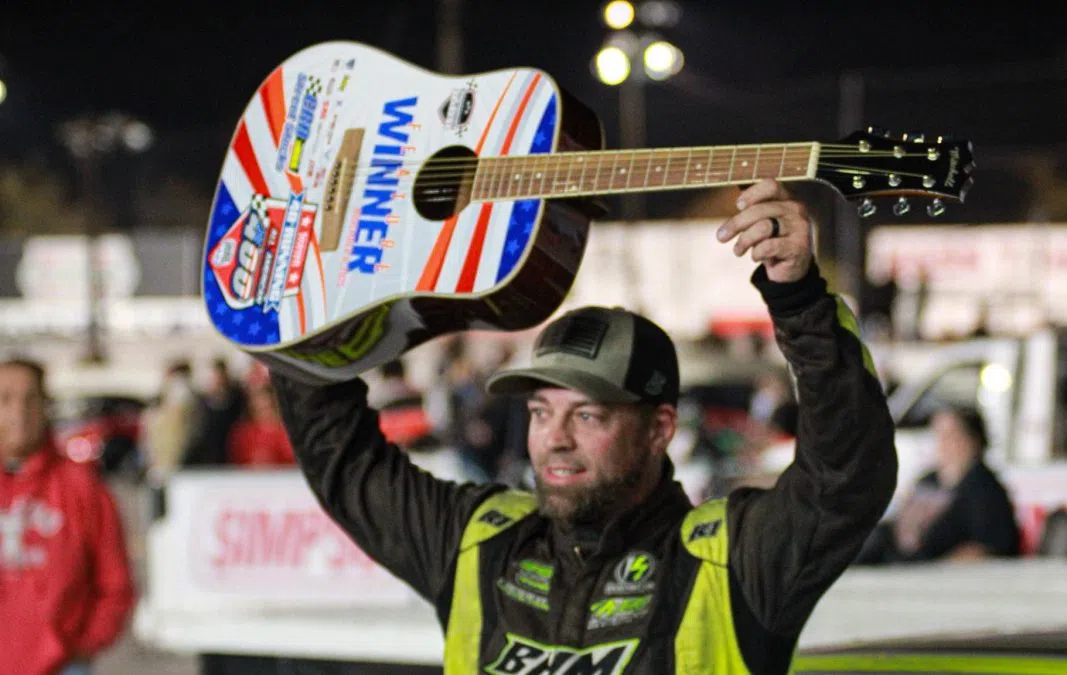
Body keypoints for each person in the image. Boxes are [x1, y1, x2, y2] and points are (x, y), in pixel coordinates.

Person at [269, 179, 897, 673]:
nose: (554, 439)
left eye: (587, 415)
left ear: (659, 428)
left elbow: (846, 477)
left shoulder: (730, 559)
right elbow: (341, 457)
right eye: (541, 412)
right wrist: (304, 297)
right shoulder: (479, 542)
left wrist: (800, 301)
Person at [0, 358, 135, 675]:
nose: (19, 411)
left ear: (46, 406)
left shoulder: (82, 487)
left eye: (31, 398)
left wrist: (83, 647)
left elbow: (115, 585)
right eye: (5, 398)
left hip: (60, 666)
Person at [855, 405, 1020, 564]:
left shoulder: (984, 489)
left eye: (950, 434)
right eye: (937, 434)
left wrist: (937, 571)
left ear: (973, 439)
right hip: (892, 562)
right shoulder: (928, 480)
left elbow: (988, 550)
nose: (942, 442)